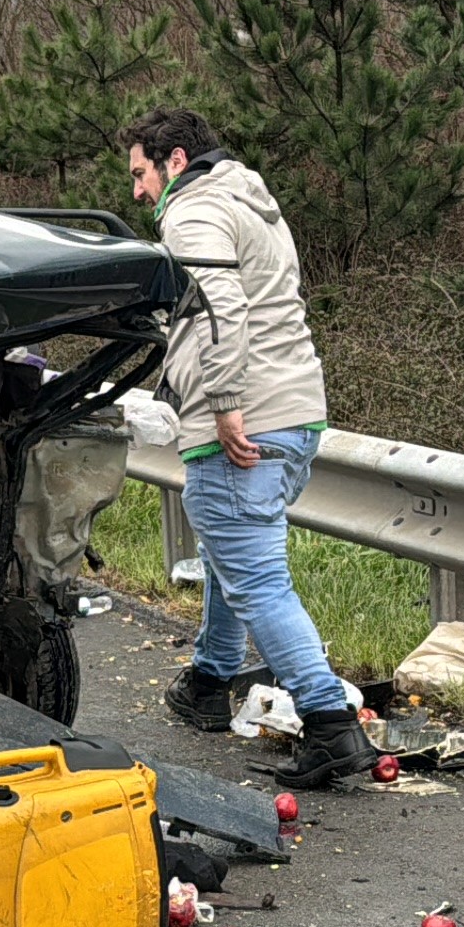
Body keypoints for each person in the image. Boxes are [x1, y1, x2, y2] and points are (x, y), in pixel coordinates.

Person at [123, 106, 363, 790]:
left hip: (246, 418)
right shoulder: (252, 201)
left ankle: (329, 724)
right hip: (296, 411)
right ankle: (209, 678)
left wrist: (224, 405)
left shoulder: (191, 209)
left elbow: (219, 307)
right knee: (235, 549)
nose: (138, 192)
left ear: (173, 161)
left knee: (258, 579)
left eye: (140, 173)